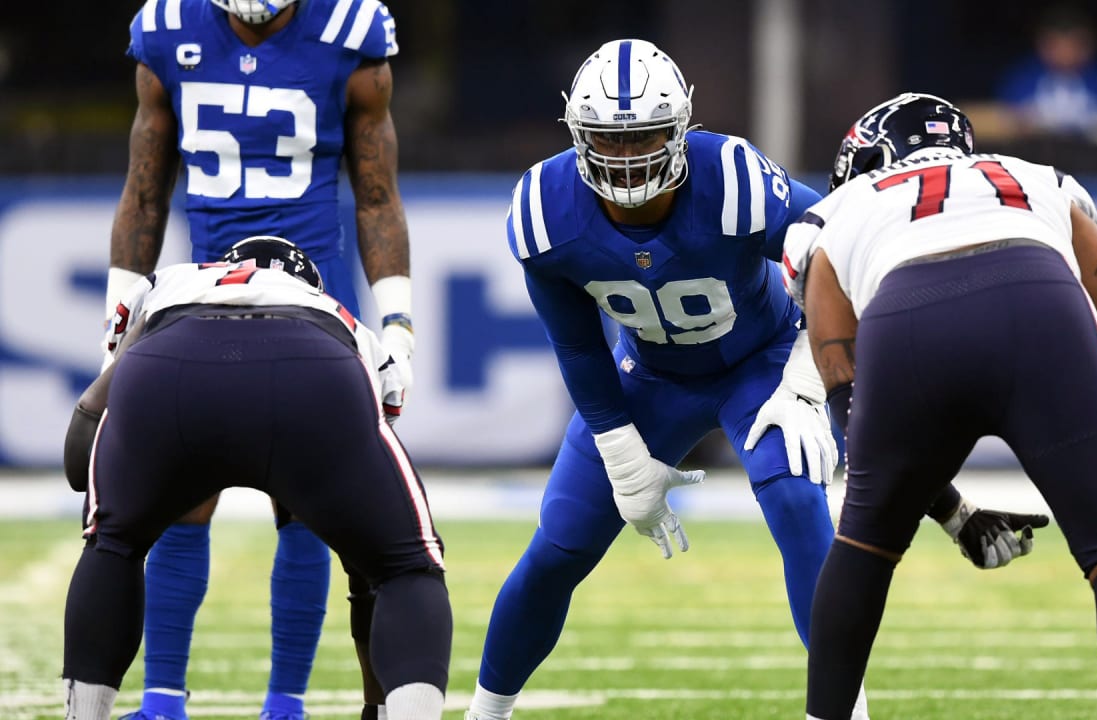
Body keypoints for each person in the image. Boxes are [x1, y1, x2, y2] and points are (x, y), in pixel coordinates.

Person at [463, 40, 1047, 720]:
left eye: (645, 137)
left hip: (765, 364)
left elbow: (841, 260)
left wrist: (809, 379)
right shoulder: (546, 209)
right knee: (559, 545)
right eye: (608, 141)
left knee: (799, 503)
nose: (627, 158)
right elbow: (576, 342)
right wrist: (622, 454)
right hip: (648, 377)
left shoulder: (732, 178)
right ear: (578, 137)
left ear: (681, 129)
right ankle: (485, 715)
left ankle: (842, 712)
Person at [786, 93, 1097, 720]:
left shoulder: (841, 207)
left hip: (907, 324)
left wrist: (944, 508)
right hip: (1041, 306)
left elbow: (842, 372)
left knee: (862, 543)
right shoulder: (1031, 175)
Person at [106, 1, 413, 718]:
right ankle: (165, 702)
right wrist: (122, 306)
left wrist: (396, 320)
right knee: (180, 498)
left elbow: (376, 195)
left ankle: (283, 704)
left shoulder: (349, 30)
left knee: (303, 506)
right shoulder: (168, 28)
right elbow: (146, 189)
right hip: (204, 298)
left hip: (309, 304)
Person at [62, 236, 449, 720]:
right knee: (406, 565)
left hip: (170, 366)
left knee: (111, 543)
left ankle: (83, 714)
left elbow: (84, 439)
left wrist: (108, 508)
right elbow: (368, 532)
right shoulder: (338, 315)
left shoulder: (172, 280)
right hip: (308, 363)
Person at [995, 5, 1097, 144]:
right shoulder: (1022, 78)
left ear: (1088, 44)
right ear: (1042, 44)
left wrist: (1089, 125)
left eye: (1074, 44)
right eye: (1056, 45)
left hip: (1093, 162)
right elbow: (998, 121)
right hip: (1035, 161)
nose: (1065, 53)